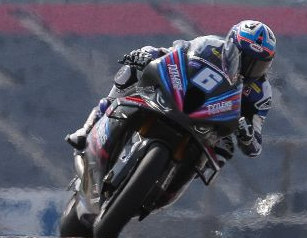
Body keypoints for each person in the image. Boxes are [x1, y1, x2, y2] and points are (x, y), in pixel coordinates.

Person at [65, 20, 276, 165]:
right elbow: (174, 54)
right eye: (246, 60)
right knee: (134, 67)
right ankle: (89, 127)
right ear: (232, 46)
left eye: (259, 64)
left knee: (224, 151)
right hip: (182, 97)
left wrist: (247, 135)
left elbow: (256, 145)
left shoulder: (261, 92)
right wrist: (149, 54)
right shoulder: (209, 45)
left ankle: (177, 176)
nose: (250, 69)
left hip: (212, 127)